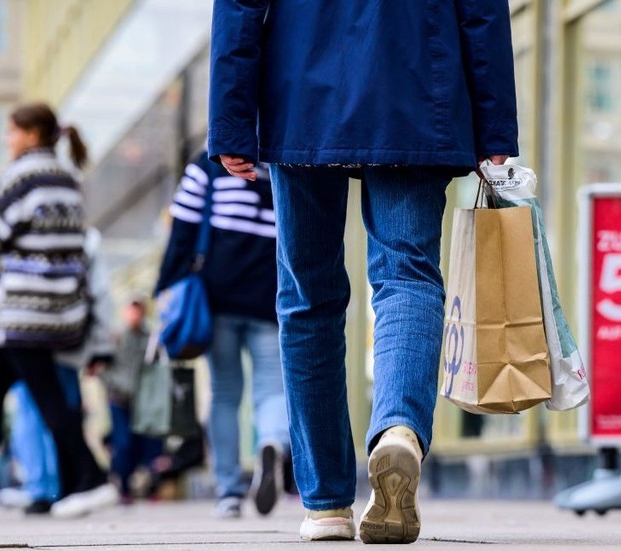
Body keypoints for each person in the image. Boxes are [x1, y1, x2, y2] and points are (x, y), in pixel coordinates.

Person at [208, 1, 518, 543]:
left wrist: (232, 119)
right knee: (408, 273)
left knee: (308, 296)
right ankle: (397, 428)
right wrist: (494, 129)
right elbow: (481, 8)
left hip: (301, 85)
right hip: (418, 81)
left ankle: (327, 503)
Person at [0, 102, 118, 518]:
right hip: (57, 311)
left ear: (31, 134)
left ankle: (95, 479)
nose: (6, 141)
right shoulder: (67, 179)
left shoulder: (19, 178)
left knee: (48, 402)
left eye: (10, 133)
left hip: (21, 311)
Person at [155, 152, 290, 518]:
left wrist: (164, 288)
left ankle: (228, 492)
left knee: (225, 393)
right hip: (270, 296)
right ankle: (272, 444)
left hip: (217, 297)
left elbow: (182, 229)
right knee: (273, 390)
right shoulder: (283, 161)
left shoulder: (209, 164)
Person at [0, 228, 114, 514]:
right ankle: (53, 486)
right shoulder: (82, 236)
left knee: (43, 409)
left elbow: (99, 291)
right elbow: (99, 292)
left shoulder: (21, 232)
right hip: (56, 336)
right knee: (48, 409)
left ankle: (49, 487)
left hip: (41, 336)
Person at [98, 299, 162, 504]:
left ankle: (140, 485)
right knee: (123, 442)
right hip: (118, 398)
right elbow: (102, 368)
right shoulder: (116, 337)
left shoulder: (150, 338)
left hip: (141, 401)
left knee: (142, 443)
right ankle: (121, 485)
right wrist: (114, 385)